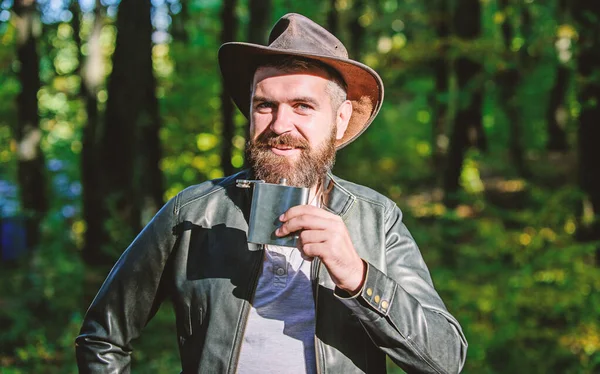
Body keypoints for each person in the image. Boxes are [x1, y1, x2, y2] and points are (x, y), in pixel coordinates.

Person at [76, 13, 467, 374]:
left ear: (340, 119)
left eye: (302, 106)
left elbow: (445, 360)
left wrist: (357, 275)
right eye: (265, 105)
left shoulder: (378, 218)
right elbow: (102, 337)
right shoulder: (193, 214)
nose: (281, 124)